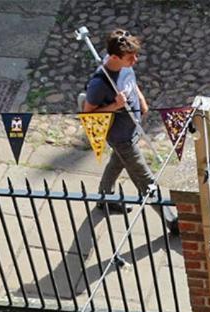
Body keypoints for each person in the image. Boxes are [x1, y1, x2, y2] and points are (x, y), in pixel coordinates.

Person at [81, 29, 179, 234]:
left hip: (133, 127)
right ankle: (172, 221)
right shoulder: (100, 83)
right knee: (145, 179)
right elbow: (88, 113)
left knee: (116, 163)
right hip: (121, 138)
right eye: (130, 57)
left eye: (135, 55)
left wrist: (141, 101)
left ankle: (104, 198)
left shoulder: (124, 66)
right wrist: (114, 106)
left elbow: (132, 82)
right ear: (115, 57)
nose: (135, 60)